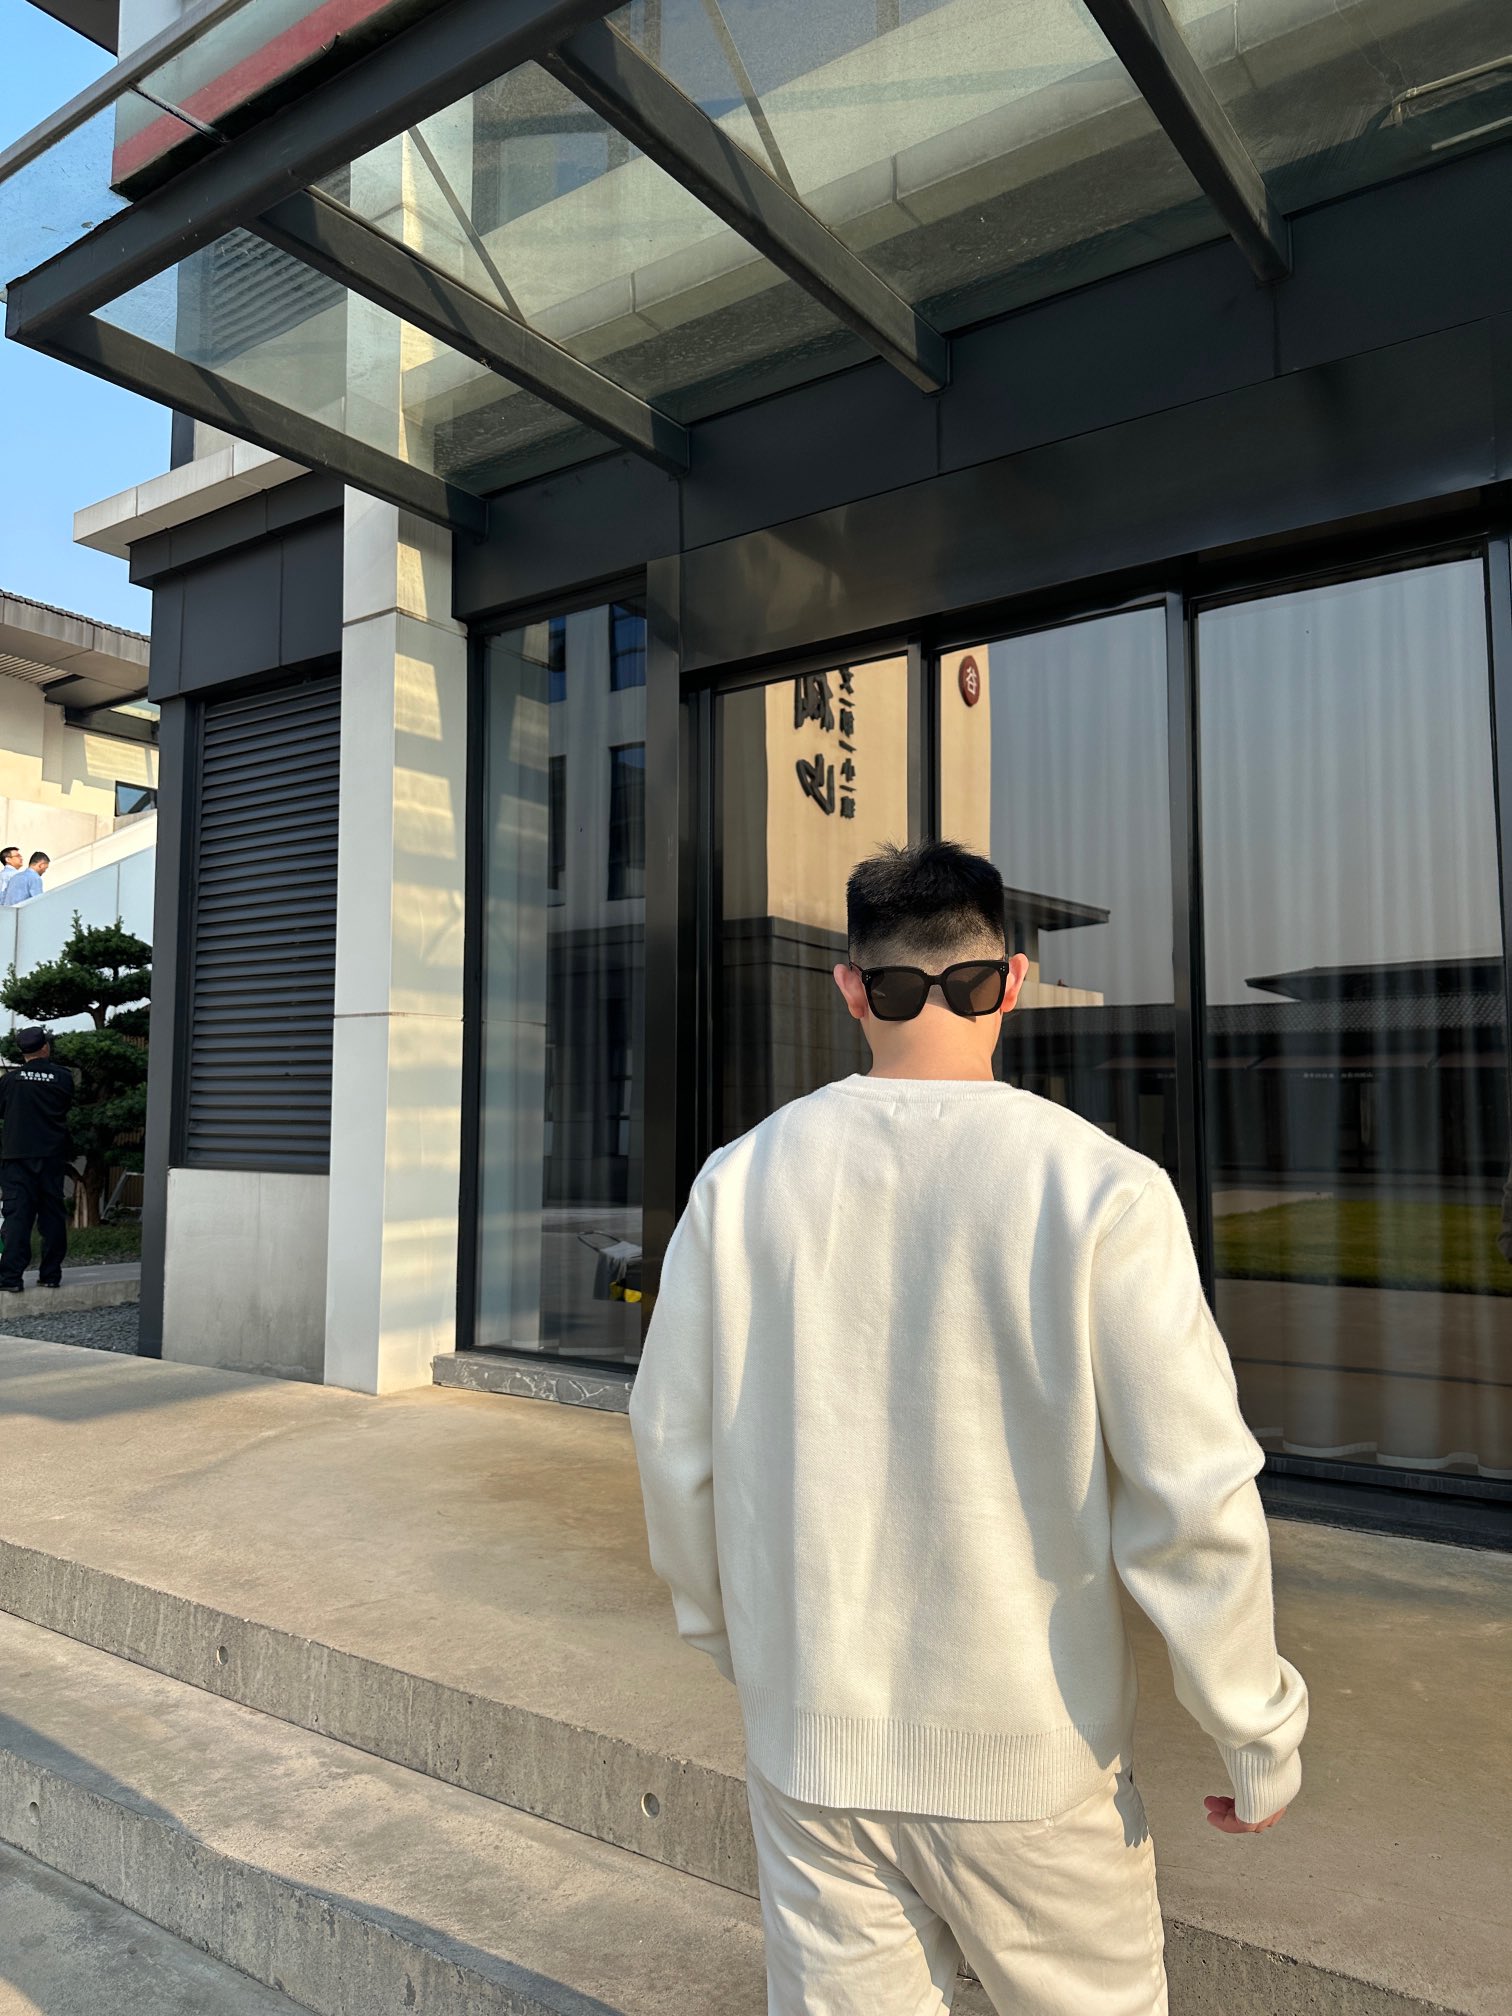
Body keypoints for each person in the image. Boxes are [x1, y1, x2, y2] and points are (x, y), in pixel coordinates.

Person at [631, 838, 1307, 2016]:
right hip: (1032, 1761)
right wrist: (1253, 1727)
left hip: (813, 1745)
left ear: (851, 988)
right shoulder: (1100, 1187)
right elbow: (1192, 1490)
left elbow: (670, 1441)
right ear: (1014, 982)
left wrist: (733, 1638)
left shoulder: (742, 1182)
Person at [0, 1026, 75, 1294]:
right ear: (45, 1047)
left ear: (23, 1052)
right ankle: (51, 1274)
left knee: (17, 1216)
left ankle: (10, 1278)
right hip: (52, 1156)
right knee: (52, 1215)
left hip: (17, 1156)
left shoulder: (10, 1081)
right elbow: (65, 1106)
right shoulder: (63, 1078)